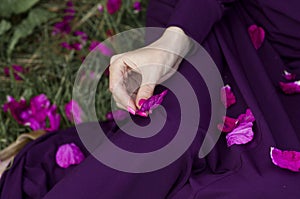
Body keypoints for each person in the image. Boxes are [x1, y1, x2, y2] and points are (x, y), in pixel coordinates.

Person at [1, 0, 300, 198]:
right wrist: (172, 44)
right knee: (170, 133)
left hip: (290, 87)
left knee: (274, 185)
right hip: (217, 20)